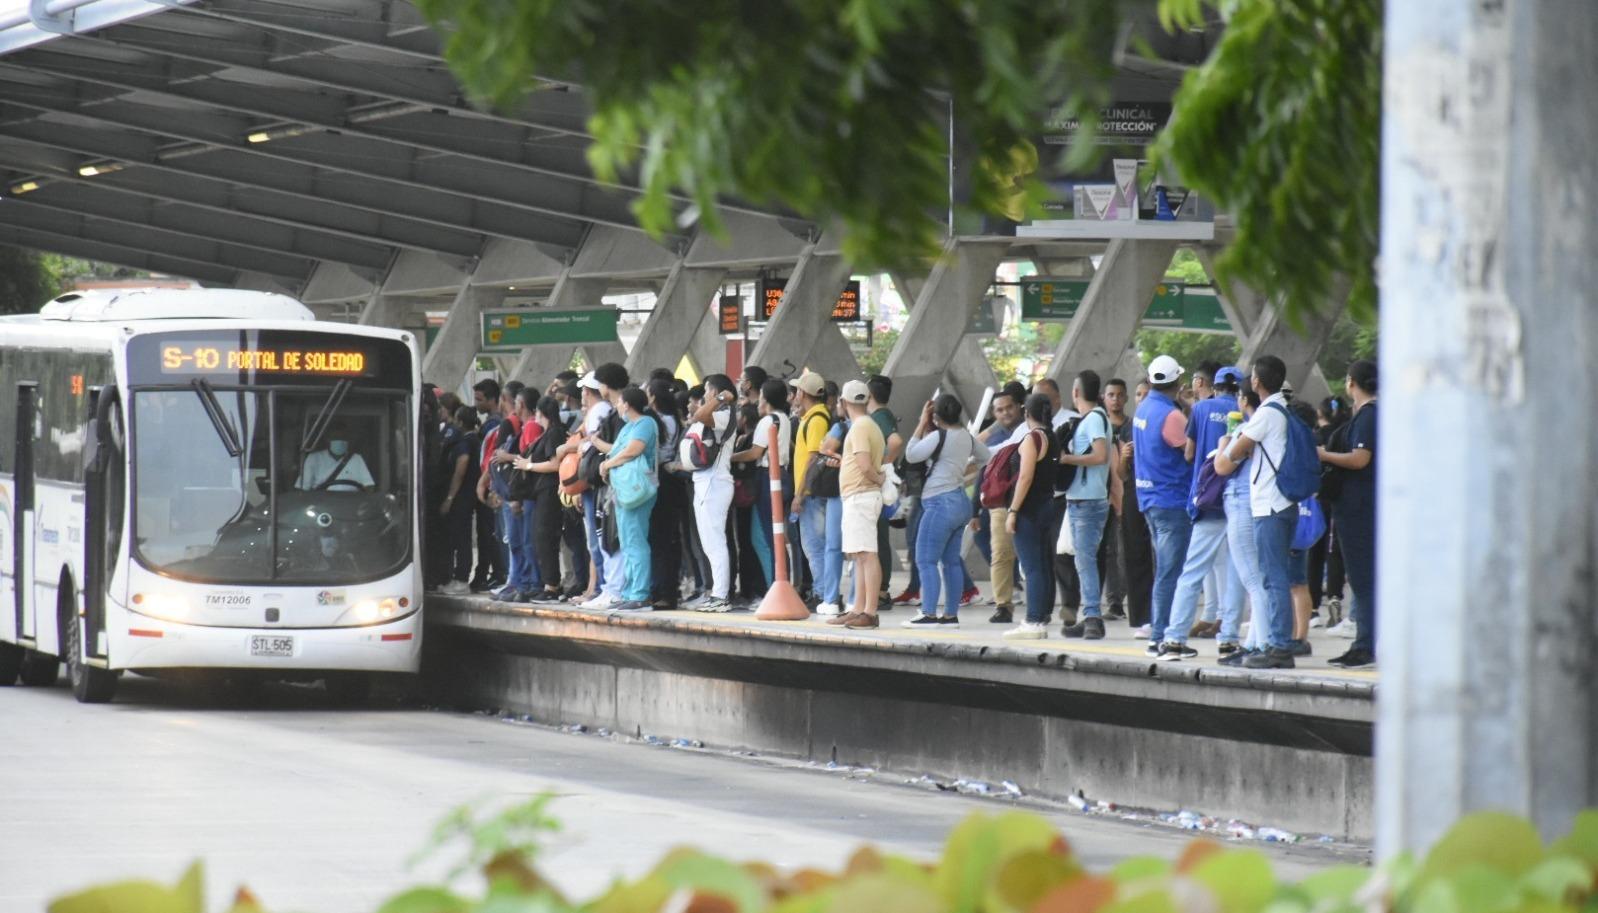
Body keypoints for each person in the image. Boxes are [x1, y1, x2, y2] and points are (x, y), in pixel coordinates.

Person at [1214, 355, 1298, 669]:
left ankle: (1277, 647)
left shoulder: (1265, 415)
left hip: (1270, 505)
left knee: (1270, 578)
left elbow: (1225, 462)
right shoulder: (1284, 410)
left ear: (1256, 382)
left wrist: (1227, 442)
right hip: (1282, 502)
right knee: (1273, 577)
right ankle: (1272, 643)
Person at [1158, 366, 1245, 660]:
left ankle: (1174, 639)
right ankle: (1229, 640)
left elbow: (1189, 453)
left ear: (1214, 385)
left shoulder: (1200, 409)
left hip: (1207, 499)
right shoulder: (1245, 410)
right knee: (1235, 571)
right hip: (1237, 500)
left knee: (1192, 571)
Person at [902, 394, 989, 627]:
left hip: (940, 503)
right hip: (960, 501)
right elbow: (986, 459)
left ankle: (928, 613)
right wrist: (961, 471)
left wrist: (921, 423)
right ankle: (950, 615)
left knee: (925, 559)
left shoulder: (938, 436)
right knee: (951, 561)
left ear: (936, 415)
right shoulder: (967, 438)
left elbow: (911, 454)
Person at [1133, 355, 1195, 656]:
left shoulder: (1143, 408)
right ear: (1178, 383)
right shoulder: (1173, 417)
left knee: (1164, 569)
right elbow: (1189, 453)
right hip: (1172, 501)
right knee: (1171, 572)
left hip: (1149, 499)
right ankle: (1160, 636)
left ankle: (1159, 632)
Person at [1319, 360, 1377, 668]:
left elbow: (1359, 459)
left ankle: (1365, 645)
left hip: (1360, 508)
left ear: (1352, 382)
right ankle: (1364, 640)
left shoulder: (1369, 417)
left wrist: (1324, 454)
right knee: (1362, 578)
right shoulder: (1364, 416)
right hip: (1356, 506)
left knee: (1364, 579)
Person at [1059, 371, 1113, 639]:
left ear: (1076, 392)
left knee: (1085, 561)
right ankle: (1088, 614)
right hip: (1086, 498)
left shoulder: (1093, 419)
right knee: (1084, 560)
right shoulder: (1097, 418)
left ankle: (1092, 616)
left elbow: (1101, 456)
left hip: (1087, 500)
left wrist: (1067, 459)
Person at [827, 379, 885, 629]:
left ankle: (869, 612)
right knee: (859, 555)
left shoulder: (860, 427)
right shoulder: (866, 425)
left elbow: (864, 464)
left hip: (861, 495)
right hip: (858, 495)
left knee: (866, 555)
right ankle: (859, 608)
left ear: (844, 402)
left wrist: (878, 478)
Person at [1001, 394, 1058, 639]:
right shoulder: (1053, 437)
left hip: (1029, 509)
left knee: (1032, 566)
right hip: (1048, 505)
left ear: (1026, 414)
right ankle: (1042, 615)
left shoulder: (1031, 438)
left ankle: (1033, 621)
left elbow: (1025, 477)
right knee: (1043, 565)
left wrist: (1013, 510)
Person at [599, 386, 660, 612]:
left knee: (635, 539)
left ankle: (641, 594)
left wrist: (607, 464)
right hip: (623, 490)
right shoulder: (628, 427)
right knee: (626, 540)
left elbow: (634, 450)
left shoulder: (645, 423)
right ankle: (630, 591)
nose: (617, 405)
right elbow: (616, 450)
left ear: (627, 404)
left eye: (620, 402)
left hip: (639, 489)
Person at [512, 395, 577, 603]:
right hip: (541, 492)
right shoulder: (547, 433)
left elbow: (554, 464)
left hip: (550, 492)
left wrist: (528, 466)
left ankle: (552, 586)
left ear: (542, 413)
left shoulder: (554, 433)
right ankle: (548, 583)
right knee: (539, 538)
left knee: (545, 537)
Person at [685, 374, 738, 611]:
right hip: (705, 482)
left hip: (715, 483)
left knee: (715, 542)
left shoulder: (724, 413)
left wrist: (719, 398)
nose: (705, 395)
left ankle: (721, 596)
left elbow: (700, 415)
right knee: (709, 543)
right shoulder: (718, 411)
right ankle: (717, 593)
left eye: (708, 390)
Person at [577, 366, 628, 609]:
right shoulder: (613, 412)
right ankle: (610, 588)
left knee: (612, 537)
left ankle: (615, 589)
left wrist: (595, 443)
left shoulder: (617, 414)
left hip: (616, 483)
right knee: (607, 537)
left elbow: (622, 448)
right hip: (608, 482)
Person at [732, 378, 792, 587]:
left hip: (768, 478)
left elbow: (755, 453)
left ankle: (775, 586)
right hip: (781, 476)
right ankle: (777, 583)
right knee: (769, 534)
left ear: (765, 399)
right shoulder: (784, 418)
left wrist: (729, 457)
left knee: (767, 536)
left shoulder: (767, 421)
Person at [981, 385, 1026, 623]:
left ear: (1020, 406)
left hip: (1027, 501)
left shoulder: (1027, 429)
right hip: (1000, 503)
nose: (1005, 413)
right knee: (1000, 553)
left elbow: (984, 451)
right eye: (999, 410)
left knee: (1034, 555)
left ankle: (1041, 607)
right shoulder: (997, 435)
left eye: (1009, 407)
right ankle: (1003, 605)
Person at [788, 372, 833, 610]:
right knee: (814, 545)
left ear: (803, 394)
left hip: (811, 495)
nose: (794, 394)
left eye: (797, 390)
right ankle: (823, 591)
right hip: (810, 493)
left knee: (814, 545)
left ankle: (824, 593)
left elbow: (813, 459)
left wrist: (800, 493)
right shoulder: (811, 418)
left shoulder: (816, 420)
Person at [648, 379, 689, 610]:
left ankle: (662, 591)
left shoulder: (658, 421)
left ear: (653, 397)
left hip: (662, 481)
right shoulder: (675, 419)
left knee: (660, 539)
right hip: (673, 482)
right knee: (670, 540)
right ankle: (668, 589)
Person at [866, 375, 907, 606]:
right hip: (881, 485)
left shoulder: (880, 417)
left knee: (878, 537)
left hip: (878, 485)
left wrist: (881, 466)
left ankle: (881, 590)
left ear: (870, 395)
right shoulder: (881, 416)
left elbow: (896, 441)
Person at [438, 406, 481, 595]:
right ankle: (460, 577)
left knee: (461, 538)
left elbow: (461, 468)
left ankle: (461, 578)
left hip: (462, 497)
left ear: (461, 422)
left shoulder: (465, 442)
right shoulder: (474, 440)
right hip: (467, 496)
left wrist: (449, 497)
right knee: (461, 537)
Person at [298, 424, 374, 491]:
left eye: (342, 438)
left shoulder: (357, 459)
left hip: (352, 501)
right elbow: (303, 488)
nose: (339, 441)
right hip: (322, 502)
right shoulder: (314, 458)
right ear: (327, 440)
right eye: (335, 437)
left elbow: (369, 486)